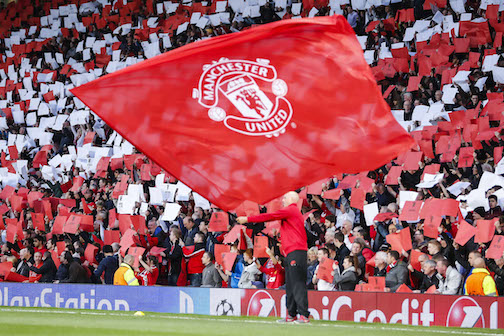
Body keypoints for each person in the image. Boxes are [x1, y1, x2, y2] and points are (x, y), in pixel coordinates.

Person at [237, 191, 310, 323]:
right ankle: (291, 315)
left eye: (285, 198)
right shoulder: (292, 213)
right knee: (290, 285)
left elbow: (270, 216)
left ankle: (304, 315)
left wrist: (248, 219)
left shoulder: (291, 210)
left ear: (291, 200)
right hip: (291, 252)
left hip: (296, 252)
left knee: (297, 283)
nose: (282, 200)